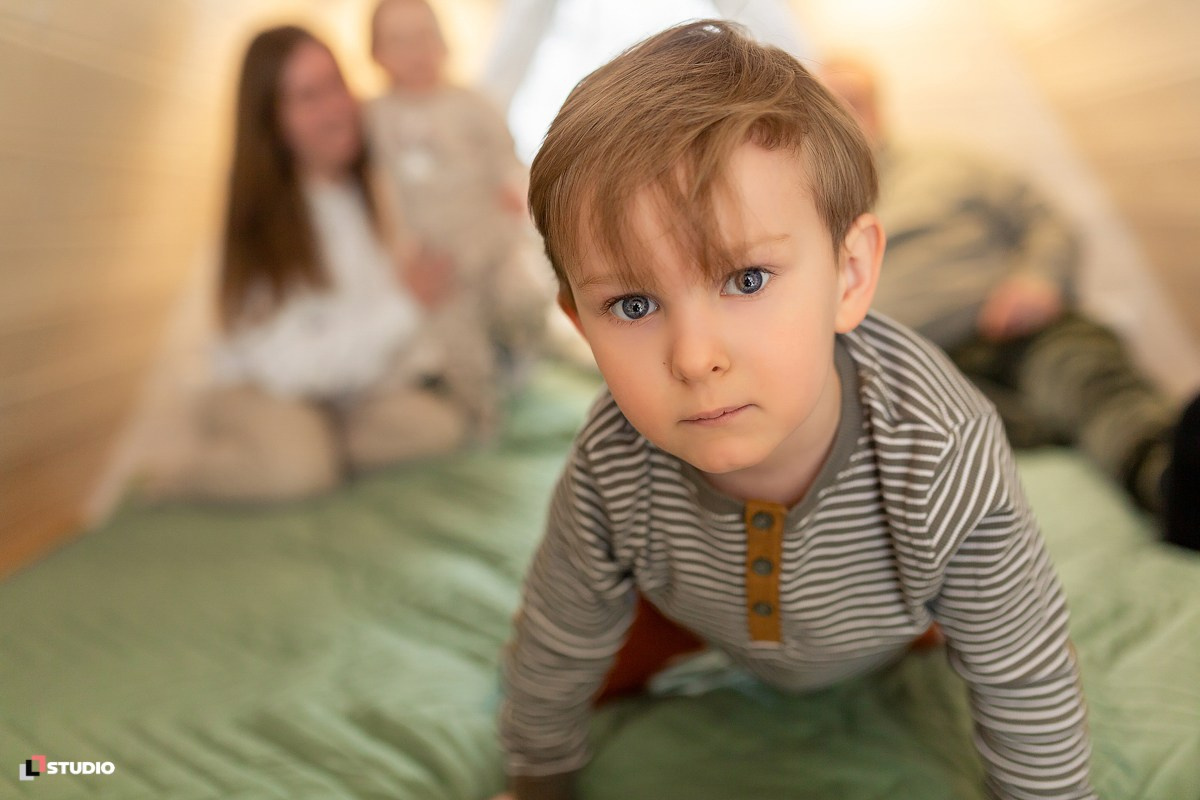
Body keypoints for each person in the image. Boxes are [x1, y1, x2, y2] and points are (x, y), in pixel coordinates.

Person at [494, 21, 1097, 800]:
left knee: (996, 629)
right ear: (579, 324)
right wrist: (536, 778)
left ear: (849, 277)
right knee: (548, 655)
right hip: (685, 610)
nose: (693, 356)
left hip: (898, 611)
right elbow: (558, 630)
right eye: (634, 303)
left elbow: (1027, 672)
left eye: (745, 280)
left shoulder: (940, 448)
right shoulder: (612, 462)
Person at [820, 58, 1199, 550]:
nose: (848, 115)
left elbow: (1044, 221)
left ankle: (1168, 485)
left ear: (878, 106)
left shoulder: (950, 163)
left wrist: (1038, 279)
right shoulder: (816, 213)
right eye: (833, 105)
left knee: (1086, 380)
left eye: (857, 101)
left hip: (1016, 330)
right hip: (923, 373)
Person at [150, 25, 471, 503]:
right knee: (300, 469)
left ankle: (314, 444)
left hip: (333, 390)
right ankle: (173, 478)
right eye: (307, 96)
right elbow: (291, 367)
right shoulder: (259, 224)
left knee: (437, 428)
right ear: (271, 121)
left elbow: (365, 324)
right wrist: (407, 306)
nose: (335, 109)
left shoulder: (361, 191)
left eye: (336, 86)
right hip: (260, 387)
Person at [365, 0, 555, 425]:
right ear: (376, 53)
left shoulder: (473, 104)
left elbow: (509, 159)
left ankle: (521, 356)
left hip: (489, 238)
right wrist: (399, 250)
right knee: (459, 341)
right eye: (399, 41)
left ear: (443, 43)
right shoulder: (374, 119)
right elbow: (375, 193)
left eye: (424, 36)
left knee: (524, 298)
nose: (415, 51)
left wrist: (513, 188)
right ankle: (481, 413)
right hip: (437, 258)